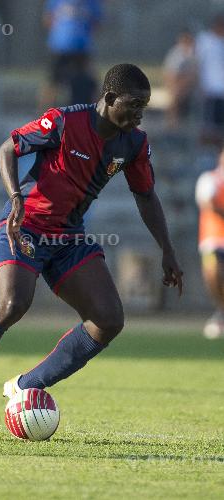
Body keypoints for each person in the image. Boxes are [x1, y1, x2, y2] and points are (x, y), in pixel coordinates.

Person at [0, 64, 183, 433]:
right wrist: (15, 198)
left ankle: (26, 386)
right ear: (109, 99)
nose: (140, 113)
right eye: (134, 104)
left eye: (145, 105)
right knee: (12, 304)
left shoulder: (134, 143)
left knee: (108, 320)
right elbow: (6, 150)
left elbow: (146, 195)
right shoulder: (63, 121)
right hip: (25, 226)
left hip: (68, 236)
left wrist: (167, 250)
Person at [39, 0, 102, 110]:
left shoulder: (91, 2)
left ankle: (100, 113)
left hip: (79, 46)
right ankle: (43, 115)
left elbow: (96, 22)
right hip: (63, 45)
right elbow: (48, 19)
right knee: (53, 82)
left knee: (91, 81)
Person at [195, 148, 224, 338]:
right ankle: (221, 311)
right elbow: (208, 203)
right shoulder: (210, 179)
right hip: (214, 239)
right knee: (214, 274)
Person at [195, 15, 224, 147]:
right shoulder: (205, 40)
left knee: (219, 125)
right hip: (211, 89)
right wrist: (200, 85)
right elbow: (198, 64)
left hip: (221, 91)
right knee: (209, 125)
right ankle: (206, 151)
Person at [163, 29, 197, 127]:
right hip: (177, 86)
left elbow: (194, 74)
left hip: (188, 86)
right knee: (175, 95)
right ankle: (173, 122)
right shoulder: (176, 54)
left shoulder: (193, 54)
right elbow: (170, 74)